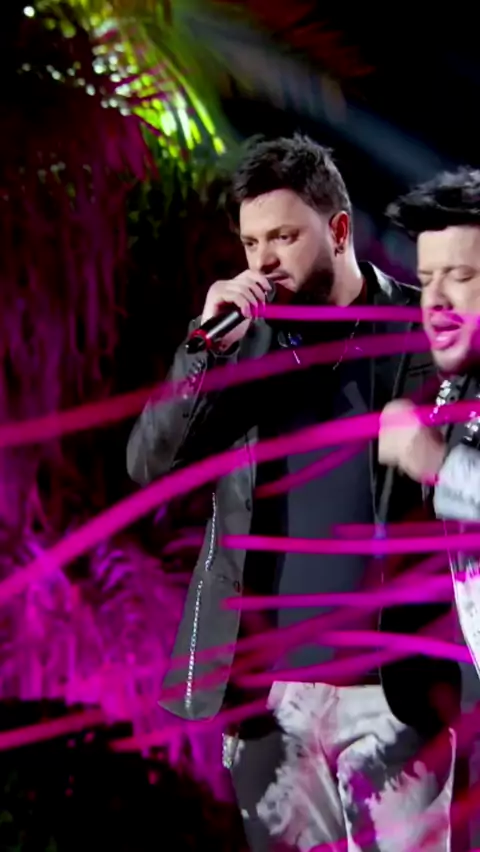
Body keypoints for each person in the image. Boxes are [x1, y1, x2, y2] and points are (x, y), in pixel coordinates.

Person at [127, 136, 459, 851]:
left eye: (283, 236)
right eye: (251, 243)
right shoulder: (239, 346)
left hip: (393, 693)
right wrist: (204, 346)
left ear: (337, 229)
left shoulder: (418, 332)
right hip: (270, 703)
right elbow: (149, 461)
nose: (263, 261)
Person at [380, 167, 480, 691]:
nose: (435, 298)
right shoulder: (450, 395)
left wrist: (440, 466)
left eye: (459, 276)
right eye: (425, 279)